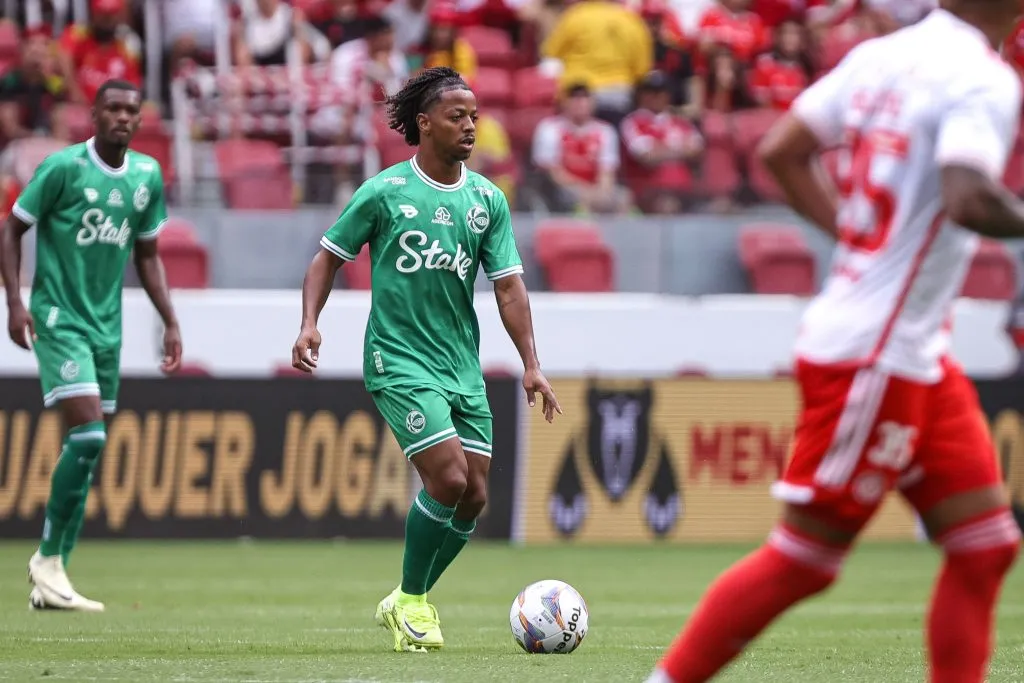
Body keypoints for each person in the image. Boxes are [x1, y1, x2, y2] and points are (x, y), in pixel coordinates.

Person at [646, 1, 1024, 681]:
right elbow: (969, 196)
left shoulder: (884, 55)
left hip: (910, 349)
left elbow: (781, 150)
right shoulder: (982, 77)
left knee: (986, 545)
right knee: (804, 559)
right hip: (877, 354)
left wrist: (855, 238)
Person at [291, 66, 561, 653]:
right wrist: (310, 324)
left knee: (476, 495)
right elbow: (326, 260)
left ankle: (406, 596)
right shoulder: (385, 191)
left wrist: (531, 364)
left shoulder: (487, 200)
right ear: (424, 124)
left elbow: (509, 288)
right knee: (448, 476)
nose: (470, 126)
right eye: (456, 117)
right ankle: (413, 602)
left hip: (460, 364)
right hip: (399, 359)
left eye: (474, 117)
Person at [1, 79, 182, 613]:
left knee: (85, 448)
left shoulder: (147, 175)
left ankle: (53, 575)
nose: (123, 117)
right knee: (89, 438)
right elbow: (11, 230)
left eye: (132, 110)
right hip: (59, 318)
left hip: (109, 327)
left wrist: (169, 319)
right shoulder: (62, 168)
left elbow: (147, 255)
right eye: (113, 108)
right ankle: (47, 559)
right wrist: (15, 302)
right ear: (94, 114)